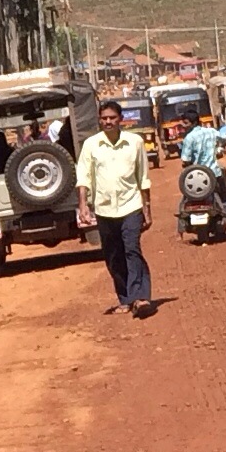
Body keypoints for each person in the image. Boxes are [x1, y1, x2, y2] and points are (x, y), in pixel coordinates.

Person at [76, 97, 155, 318]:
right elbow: (84, 176)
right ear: (99, 120)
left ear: (121, 119)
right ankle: (125, 298)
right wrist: (83, 205)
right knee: (113, 255)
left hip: (131, 205)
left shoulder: (135, 142)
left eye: (112, 118)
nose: (108, 122)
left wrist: (147, 209)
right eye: (104, 118)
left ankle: (140, 297)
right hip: (104, 209)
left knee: (132, 249)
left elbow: (143, 177)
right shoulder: (91, 145)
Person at [179, 109, 226, 235]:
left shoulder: (189, 138)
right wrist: (221, 149)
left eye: (186, 123)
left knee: (185, 201)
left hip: (195, 177)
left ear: (193, 123)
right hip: (214, 174)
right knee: (224, 200)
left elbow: (185, 160)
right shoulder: (211, 131)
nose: (183, 126)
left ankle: (180, 232)